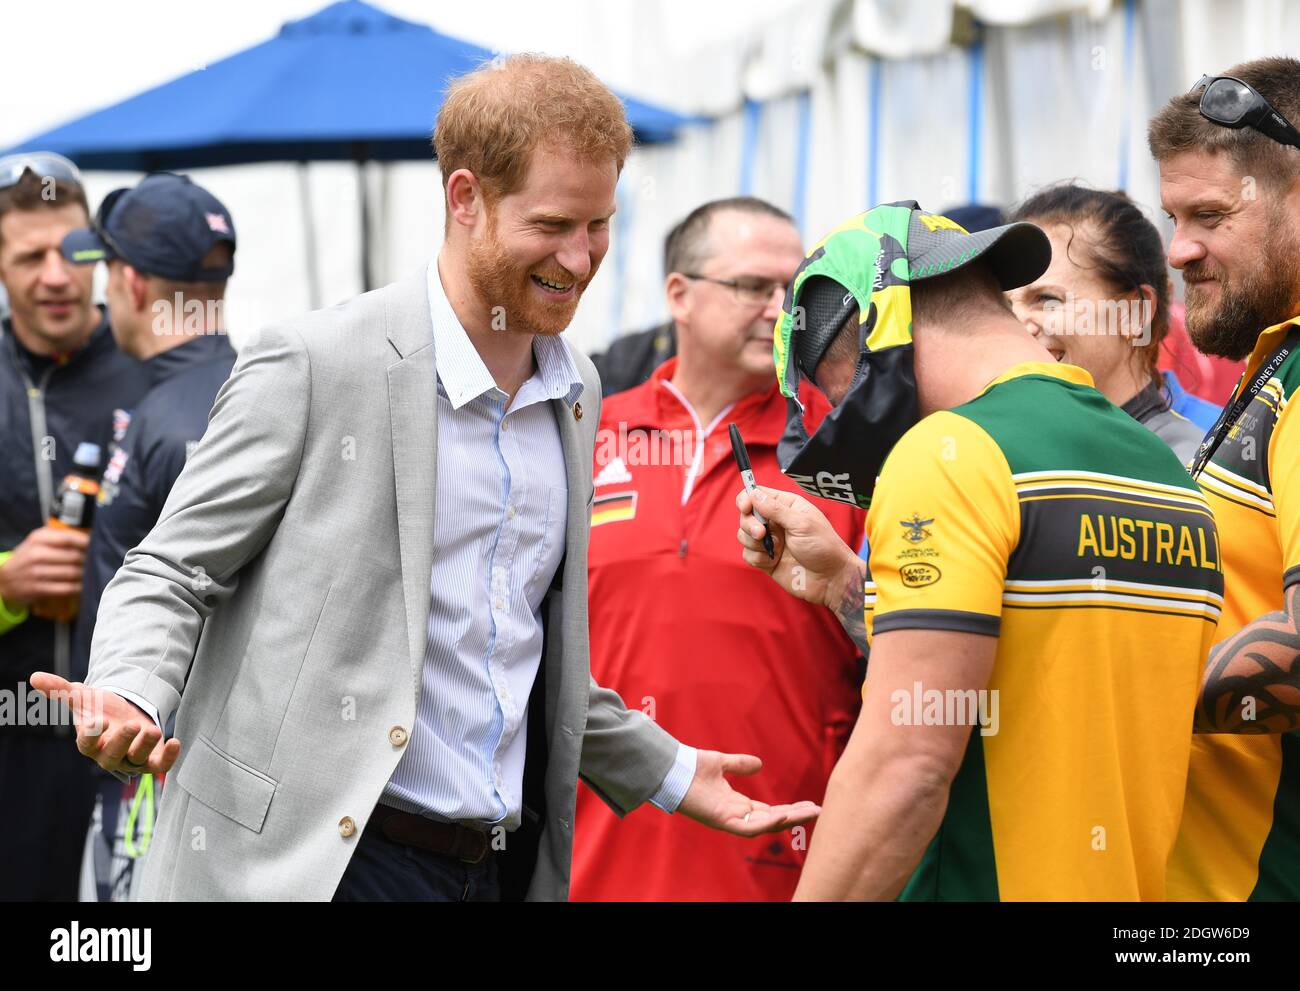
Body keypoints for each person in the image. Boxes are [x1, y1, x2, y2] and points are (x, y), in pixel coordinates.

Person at [32, 55, 817, 903]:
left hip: (491, 870)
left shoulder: (577, 389)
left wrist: (670, 771)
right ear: (466, 198)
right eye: (553, 224)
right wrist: (130, 691)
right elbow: (170, 569)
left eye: (601, 225)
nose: (581, 257)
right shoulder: (315, 361)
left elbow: (514, 648)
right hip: (312, 868)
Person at [737, 202, 1223, 900]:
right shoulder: (1163, 466)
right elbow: (1038, 666)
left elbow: (905, 764)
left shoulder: (948, 451)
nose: (844, 417)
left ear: (879, 334)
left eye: (837, 393)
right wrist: (845, 584)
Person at [571, 197, 865, 901]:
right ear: (680, 294)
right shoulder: (585, 434)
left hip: (779, 853)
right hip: (591, 857)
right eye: (752, 287)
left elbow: (910, 640)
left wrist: (850, 587)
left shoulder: (847, 452)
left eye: (793, 291)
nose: (779, 310)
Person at [60, 172, 238, 901]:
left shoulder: (177, 417)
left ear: (130, 281)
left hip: (160, 777)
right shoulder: (239, 390)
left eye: (104, 270)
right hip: (163, 765)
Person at [1148, 57, 1300, 902]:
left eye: (1209, 215)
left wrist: (1112, 690)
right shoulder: (1273, 367)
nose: (1179, 250)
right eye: (1172, 216)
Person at [0, 153, 152, 901]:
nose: (57, 275)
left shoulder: (155, 368)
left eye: (75, 250)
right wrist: (5, 582)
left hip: (136, 744)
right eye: (29, 256)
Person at [1006, 184, 1205, 463]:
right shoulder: (1005, 452)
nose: (1015, 326)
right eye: (1004, 305)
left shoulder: (1187, 470)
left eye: (1046, 299)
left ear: (1135, 313)